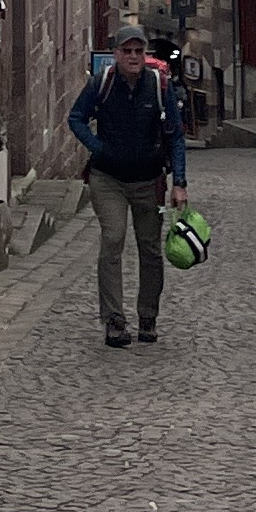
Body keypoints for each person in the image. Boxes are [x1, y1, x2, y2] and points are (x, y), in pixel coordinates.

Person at [66, 25, 187, 347]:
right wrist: (98, 147)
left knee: (150, 248)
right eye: (127, 51)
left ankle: (148, 315)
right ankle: (114, 319)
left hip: (149, 180)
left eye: (138, 51)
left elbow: (176, 135)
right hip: (108, 179)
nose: (133, 57)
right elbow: (76, 118)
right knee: (113, 238)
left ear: (145, 54)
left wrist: (180, 183)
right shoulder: (101, 83)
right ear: (116, 54)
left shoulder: (158, 86)